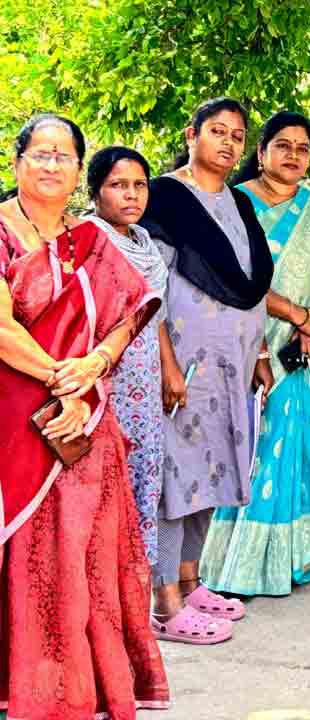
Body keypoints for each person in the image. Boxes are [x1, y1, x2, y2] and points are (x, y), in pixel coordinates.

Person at [0, 114, 169, 716]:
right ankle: (21, 683)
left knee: (88, 549)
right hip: (17, 417)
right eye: (39, 153)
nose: (50, 164)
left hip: (87, 422)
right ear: (17, 161)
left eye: (63, 155)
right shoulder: (0, 232)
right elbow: (1, 329)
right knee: (24, 547)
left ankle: (84, 687)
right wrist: (60, 380)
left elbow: (131, 312)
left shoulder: (91, 243)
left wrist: (96, 363)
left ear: (78, 171)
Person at [200, 111, 310, 596]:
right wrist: (297, 318)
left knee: (293, 442)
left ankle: (292, 557)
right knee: (251, 447)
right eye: (283, 145)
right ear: (260, 154)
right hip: (245, 345)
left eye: (303, 148)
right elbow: (225, 280)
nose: (294, 156)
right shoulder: (233, 205)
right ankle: (235, 563)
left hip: (304, 349)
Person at [141, 97, 274, 643]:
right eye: (217, 131)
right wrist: (167, 365)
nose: (228, 143)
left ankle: (192, 581)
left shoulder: (240, 203)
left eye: (238, 136)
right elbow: (149, 290)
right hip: (184, 367)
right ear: (192, 134)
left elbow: (250, 280)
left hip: (232, 365)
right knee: (177, 477)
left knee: (212, 472)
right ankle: (164, 602)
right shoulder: (166, 199)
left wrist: (260, 352)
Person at [86, 146, 168, 571]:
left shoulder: (143, 242)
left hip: (146, 381)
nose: (132, 195)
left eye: (139, 185)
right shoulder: (86, 239)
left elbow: (155, 316)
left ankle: (136, 597)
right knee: (106, 484)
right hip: (106, 381)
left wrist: (170, 371)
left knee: (143, 477)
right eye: (118, 185)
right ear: (96, 191)